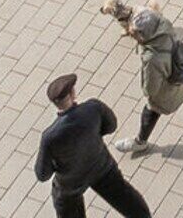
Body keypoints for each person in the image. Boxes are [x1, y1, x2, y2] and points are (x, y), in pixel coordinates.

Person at [103, 1, 183, 153]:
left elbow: (151, 89)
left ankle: (140, 141)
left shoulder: (152, 57)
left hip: (168, 88)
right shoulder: (166, 29)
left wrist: (147, 92)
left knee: (151, 109)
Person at [36, 74, 150, 218]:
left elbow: (42, 174)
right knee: (132, 205)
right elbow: (111, 126)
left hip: (70, 184)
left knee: (66, 205)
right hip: (102, 168)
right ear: (72, 94)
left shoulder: (49, 137)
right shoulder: (93, 108)